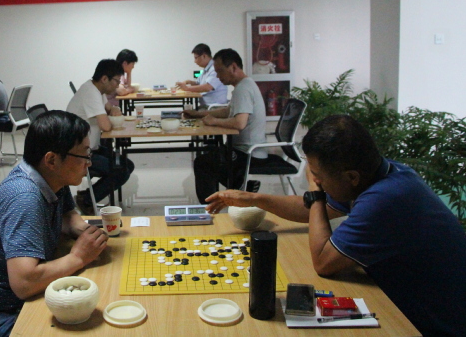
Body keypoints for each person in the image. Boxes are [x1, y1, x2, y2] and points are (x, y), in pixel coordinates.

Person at [205, 114, 466, 337]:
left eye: (318, 177)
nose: (315, 182)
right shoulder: (383, 175)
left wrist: (315, 194)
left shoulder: (385, 200)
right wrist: (254, 199)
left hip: (433, 326)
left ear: (351, 177)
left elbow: (323, 261)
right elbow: (310, 210)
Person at [0, 110, 108, 337]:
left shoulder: (49, 177)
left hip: (28, 298)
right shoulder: (25, 197)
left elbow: (68, 214)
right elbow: (24, 283)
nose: (89, 163)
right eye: (84, 155)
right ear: (51, 159)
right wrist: (78, 256)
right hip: (1, 316)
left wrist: (83, 232)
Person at [184, 48, 267, 203]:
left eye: (220, 71)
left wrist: (214, 121)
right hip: (247, 148)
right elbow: (228, 111)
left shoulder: (243, 89)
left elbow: (239, 123)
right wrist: (198, 114)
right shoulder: (244, 85)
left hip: (248, 152)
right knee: (210, 151)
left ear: (233, 67)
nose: (218, 77)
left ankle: (209, 206)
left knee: (203, 163)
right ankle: (239, 186)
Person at [67, 59, 135, 215]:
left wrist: (113, 110)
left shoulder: (97, 90)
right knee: (121, 171)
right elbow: (105, 126)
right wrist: (111, 114)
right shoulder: (90, 92)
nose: (117, 86)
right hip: (78, 153)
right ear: (105, 79)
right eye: (116, 81)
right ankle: (86, 200)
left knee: (127, 165)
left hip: (91, 147)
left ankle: (86, 196)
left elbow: (109, 108)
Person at [176, 43, 228, 108]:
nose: (195, 61)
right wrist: (188, 82)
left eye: (196, 58)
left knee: (188, 112)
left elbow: (208, 87)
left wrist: (187, 88)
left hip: (214, 107)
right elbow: (198, 84)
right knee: (187, 111)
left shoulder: (214, 68)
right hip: (207, 106)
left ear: (204, 56)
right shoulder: (206, 69)